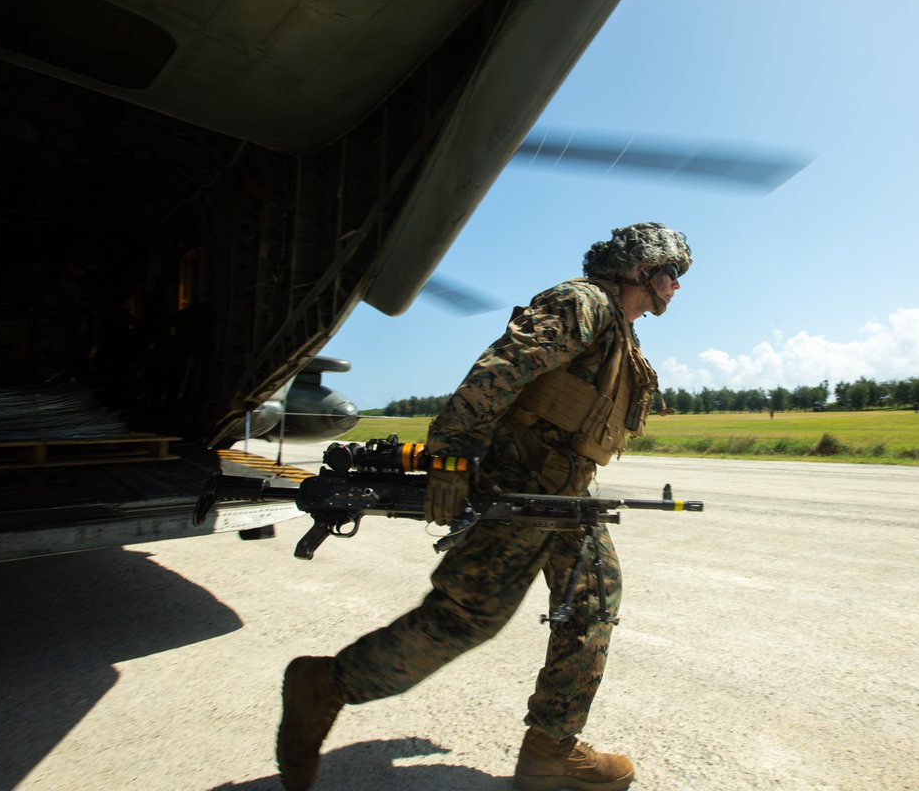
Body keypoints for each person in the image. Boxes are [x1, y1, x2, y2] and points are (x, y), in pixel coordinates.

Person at [275, 222, 692, 791]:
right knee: (464, 618)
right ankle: (325, 686)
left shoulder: (618, 330)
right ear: (641, 268)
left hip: (562, 498)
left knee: (593, 601)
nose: (676, 285)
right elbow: (500, 369)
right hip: (518, 491)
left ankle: (551, 749)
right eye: (672, 272)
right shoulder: (583, 304)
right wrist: (452, 454)